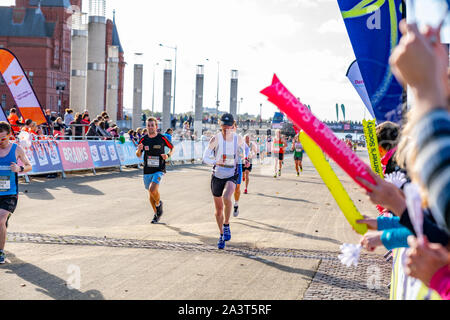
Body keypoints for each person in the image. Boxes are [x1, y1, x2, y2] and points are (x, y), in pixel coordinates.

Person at [203, 113, 245, 249]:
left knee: (227, 196)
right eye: (224, 126)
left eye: (229, 126)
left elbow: (246, 150)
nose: (227, 129)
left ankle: (226, 225)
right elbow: (205, 157)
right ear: (220, 126)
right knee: (218, 209)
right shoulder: (216, 138)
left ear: (233, 126)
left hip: (231, 175)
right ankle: (221, 234)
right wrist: (216, 161)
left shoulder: (237, 139)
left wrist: (246, 158)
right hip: (217, 176)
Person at [0, 122, 32, 264]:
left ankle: (0, 252)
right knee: (2, 223)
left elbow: (29, 166)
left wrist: (19, 169)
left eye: (3, 139)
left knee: (0, 220)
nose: (0, 142)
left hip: (10, 192)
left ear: (9, 136)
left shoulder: (16, 149)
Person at [136, 118, 174, 224]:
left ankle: (158, 204)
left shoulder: (162, 138)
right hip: (147, 169)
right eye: (148, 125)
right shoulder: (143, 139)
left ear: (156, 126)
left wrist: (168, 155)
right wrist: (139, 149)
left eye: (152, 125)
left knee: (152, 189)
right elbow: (138, 155)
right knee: (150, 193)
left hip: (159, 169)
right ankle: (156, 214)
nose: (150, 127)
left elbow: (172, 147)